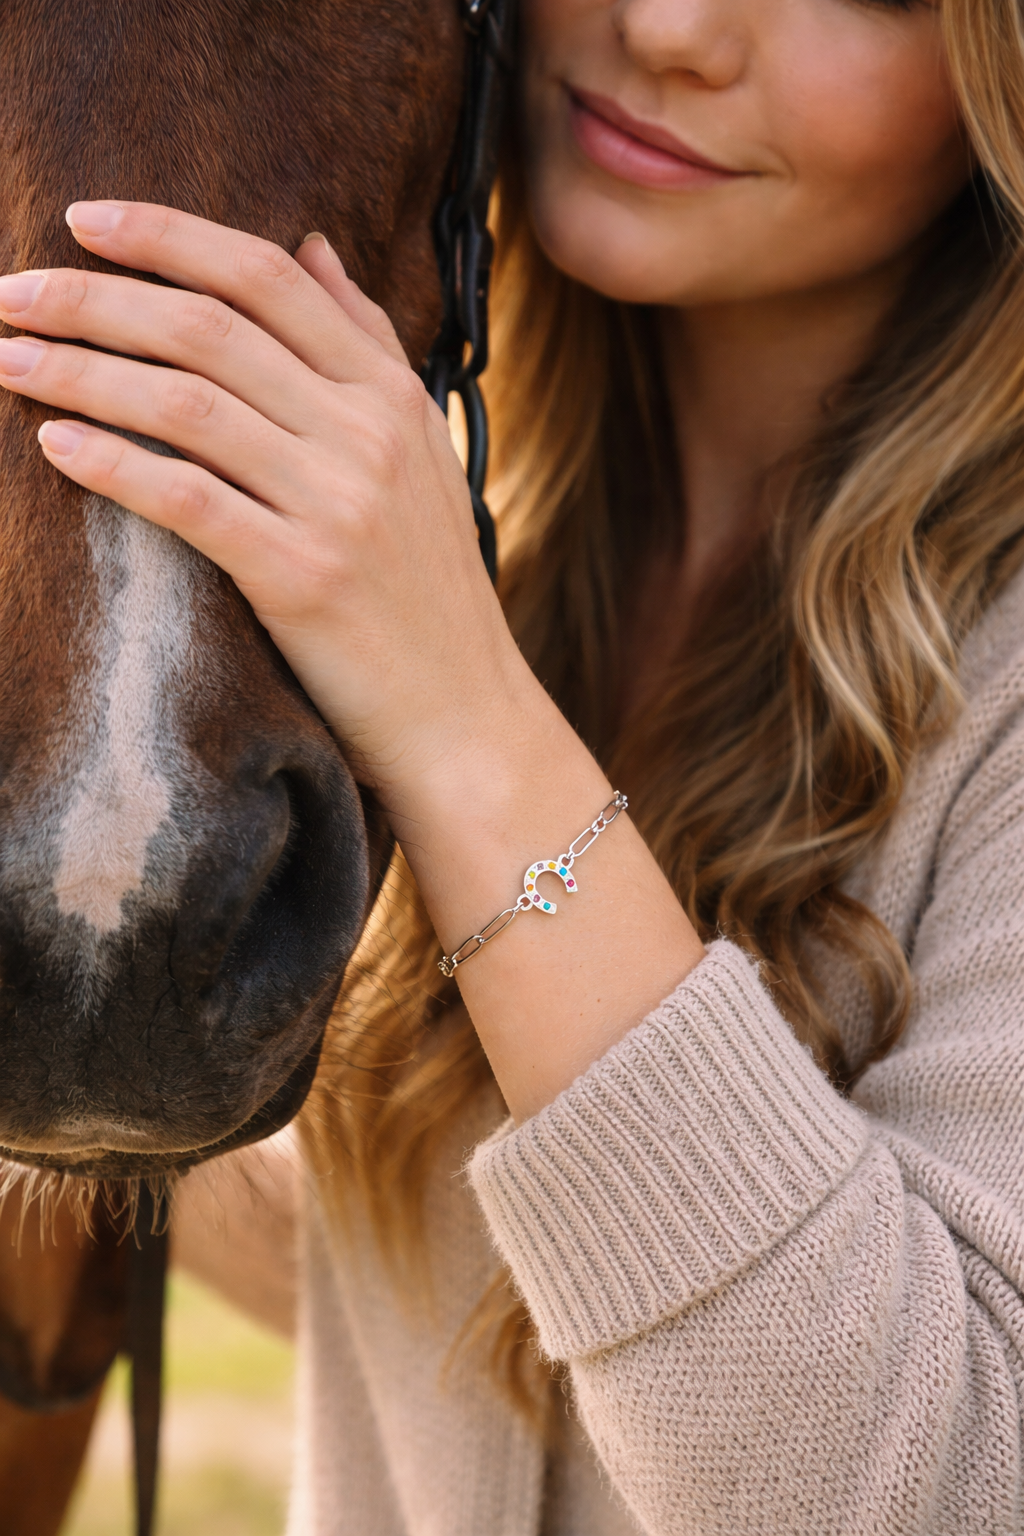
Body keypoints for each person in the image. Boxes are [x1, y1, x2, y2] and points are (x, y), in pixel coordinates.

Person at [0, 0, 1021, 1528]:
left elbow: (943, 1488)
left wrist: (465, 724)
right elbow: (438, 1293)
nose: (673, 26)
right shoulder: (500, 539)